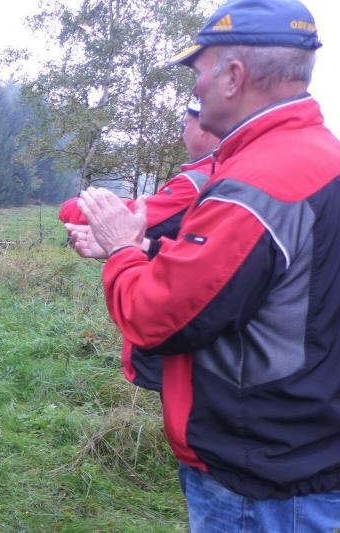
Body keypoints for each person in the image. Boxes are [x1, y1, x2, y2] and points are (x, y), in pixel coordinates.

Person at [76, 0, 340, 529]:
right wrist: (146, 253)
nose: (195, 90)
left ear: (233, 77)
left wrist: (124, 250)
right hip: (305, 452)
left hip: (258, 480)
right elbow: (256, 288)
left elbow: (157, 317)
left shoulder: (257, 186)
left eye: (198, 72)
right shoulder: (320, 157)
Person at [62, 97, 220, 391]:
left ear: (203, 126)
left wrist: (75, 206)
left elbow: (138, 218)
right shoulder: (222, 173)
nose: (182, 134)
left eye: (184, 124)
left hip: (178, 328)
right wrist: (140, 245)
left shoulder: (198, 181)